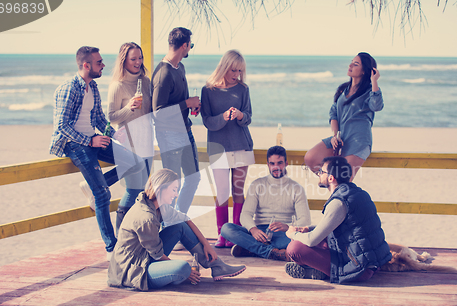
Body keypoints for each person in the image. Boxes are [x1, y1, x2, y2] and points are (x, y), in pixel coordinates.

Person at [49, 46, 144, 259]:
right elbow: (61, 126)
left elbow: (100, 119)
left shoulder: (93, 87)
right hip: (75, 144)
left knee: (135, 162)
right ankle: (112, 248)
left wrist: (111, 134)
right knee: (103, 194)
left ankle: (93, 186)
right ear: (86, 65)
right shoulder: (69, 89)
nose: (103, 65)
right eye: (99, 62)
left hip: (93, 140)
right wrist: (89, 140)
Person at [107, 168, 246, 291]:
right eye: (174, 190)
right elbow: (157, 255)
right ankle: (179, 273)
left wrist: (206, 245)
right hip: (132, 271)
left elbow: (186, 220)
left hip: (146, 256)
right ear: (161, 188)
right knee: (183, 268)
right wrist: (186, 274)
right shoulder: (146, 217)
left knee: (180, 226)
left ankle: (217, 266)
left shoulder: (158, 205)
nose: (176, 194)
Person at [285, 156, 392, 284]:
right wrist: (308, 229)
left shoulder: (339, 202)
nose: (319, 174)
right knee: (316, 239)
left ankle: (321, 272)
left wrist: (292, 234)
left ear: (331, 178)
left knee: (294, 248)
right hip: (373, 262)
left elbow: (311, 240)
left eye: (321, 172)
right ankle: (316, 270)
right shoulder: (358, 193)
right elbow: (339, 225)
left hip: (359, 269)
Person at [201, 50, 254, 248]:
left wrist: (240, 116)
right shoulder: (208, 90)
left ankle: (236, 235)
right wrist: (223, 117)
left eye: (240, 71)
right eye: (233, 70)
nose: (236, 74)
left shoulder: (243, 89)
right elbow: (207, 121)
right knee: (222, 192)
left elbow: (249, 116)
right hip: (218, 148)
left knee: (238, 191)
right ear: (224, 66)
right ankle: (222, 235)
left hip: (242, 146)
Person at [221, 146, 311, 261]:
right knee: (226, 229)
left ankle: (252, 249)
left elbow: (305, 220)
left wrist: (287, 226)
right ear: (268, 164)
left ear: (286, 163)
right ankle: (272, 252)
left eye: (280, 163)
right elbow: (246, 214)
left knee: (306, 236)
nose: (276, 167)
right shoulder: (257, 185)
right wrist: (253, 230)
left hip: (284, 234)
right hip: (260, 233)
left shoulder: (297, 188)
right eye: (272, 163)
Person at [304, 52, 383, 181]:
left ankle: (335, 187)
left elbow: (376, 106)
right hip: (340, 140)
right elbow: (333, 112)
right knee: (310, 158)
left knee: (343, 181)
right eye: (351, 61)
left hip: (359, 142)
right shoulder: (343, 90)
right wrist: (335, 136)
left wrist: (374, 81)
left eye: (355, 64)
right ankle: (328, 180)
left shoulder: (370, 91)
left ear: (364, 71)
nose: (350, 65)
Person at [151, 27, 201, 216]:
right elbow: (158, 113)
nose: (190, 49)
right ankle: (170, 225)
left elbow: (178, 101)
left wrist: (192, 106)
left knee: (193, 178)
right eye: (190, 46)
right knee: (172, 184)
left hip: (184, 130)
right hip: (168, 134)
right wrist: (186, 103)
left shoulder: (180, 67)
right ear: (185, 45)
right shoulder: (163, 74)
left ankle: (176, 219)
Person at [107, 42, 154, 235]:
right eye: (133, 59)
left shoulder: (146, 81)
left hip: (147, 142)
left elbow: (151, 111)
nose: (138, 62)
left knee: (143, 191)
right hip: (129, 144)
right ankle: (121, 234)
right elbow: (111, 117)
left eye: (140, 58)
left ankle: (134, 233)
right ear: (124, 60)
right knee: (132, 190)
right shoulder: (117, 86)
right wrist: (129, 108)